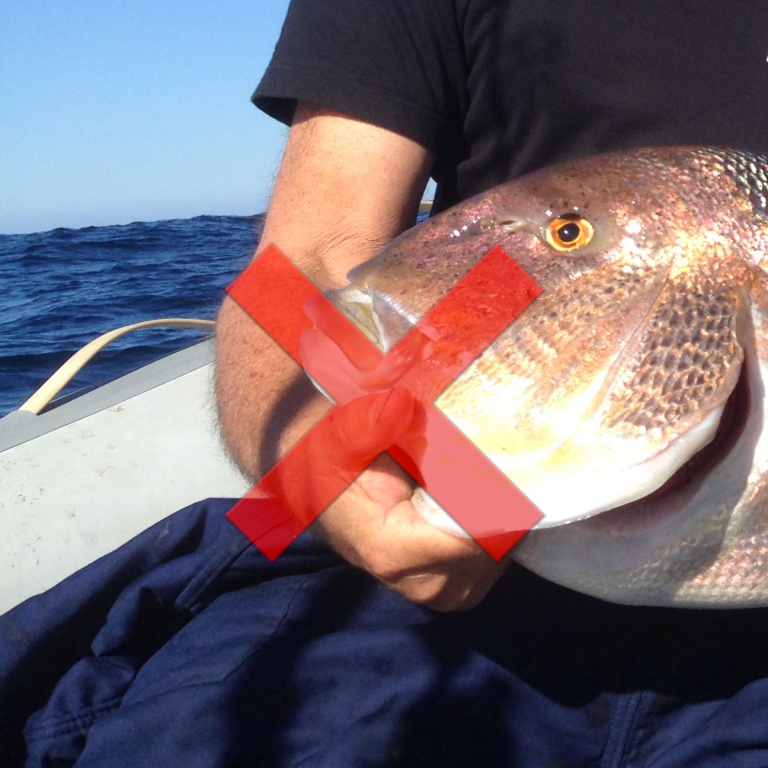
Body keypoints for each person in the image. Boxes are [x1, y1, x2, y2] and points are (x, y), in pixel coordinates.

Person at [215, 0, 768, 610]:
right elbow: (307, 262)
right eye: (569, 233)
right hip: (483, 578)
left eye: (568, 233)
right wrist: (321, 474)